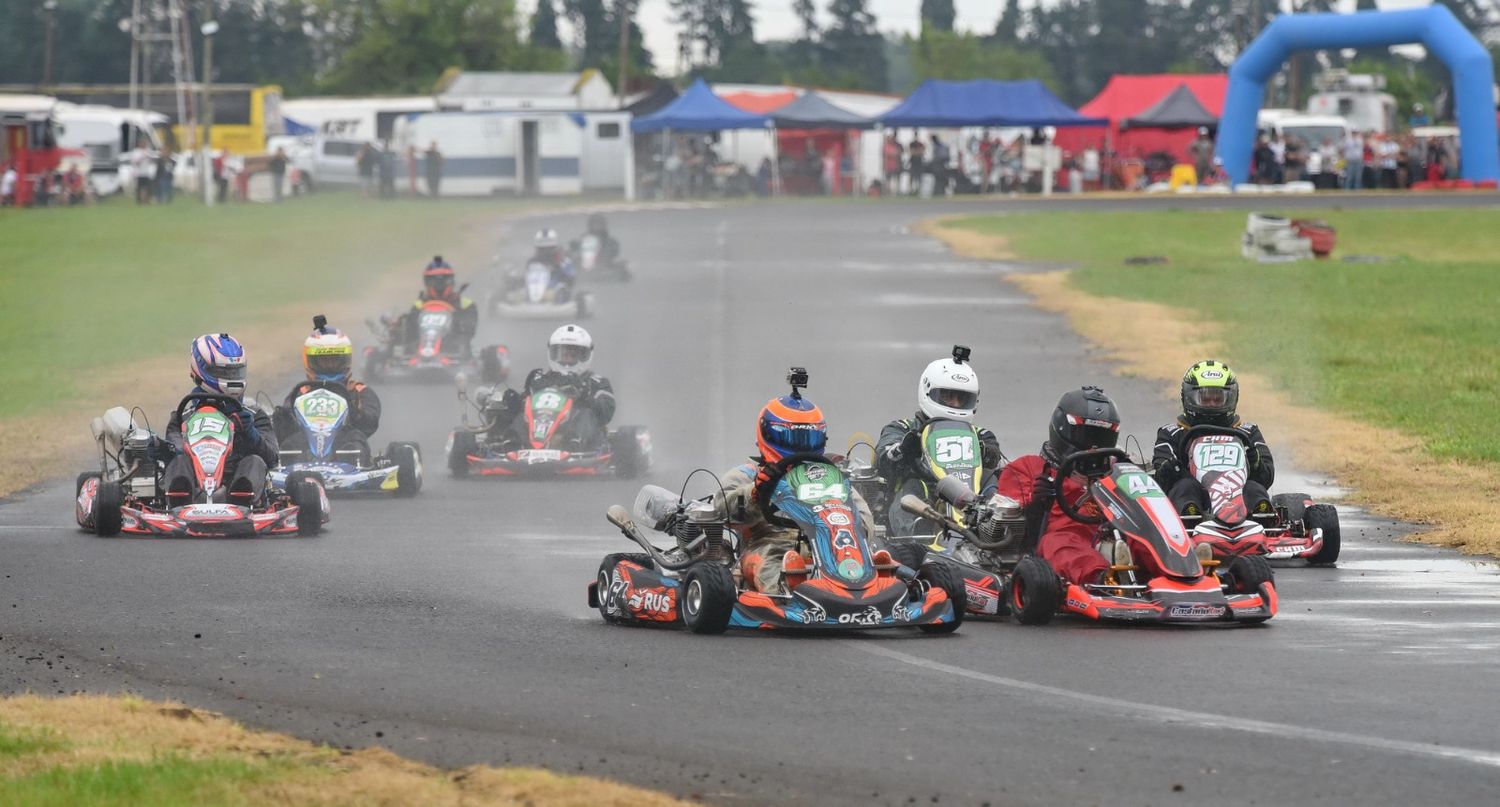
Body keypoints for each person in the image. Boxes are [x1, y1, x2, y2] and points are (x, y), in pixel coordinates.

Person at [709, 378, 877, 594]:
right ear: (768, 434)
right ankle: (788, 592)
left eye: (808, 436)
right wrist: (755, 493)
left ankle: (879, 586)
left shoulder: (830, 476)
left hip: (836, 543)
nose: (800, 445)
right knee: (769, 564)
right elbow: (722, 510)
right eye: (792, 436)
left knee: (880, 557)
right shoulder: (749, 474)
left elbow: (865, 523)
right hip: (772, 544)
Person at [994, 386, 1124, 588]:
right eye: (1088, 437)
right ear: (1063, 431)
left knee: (1144, 538)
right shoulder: (1027, 468)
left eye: (1101, 438)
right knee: (1058, 543)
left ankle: (1181, 570)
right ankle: (1103, 579)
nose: (1094, 447)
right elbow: (1013, 532)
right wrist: (1037, 505)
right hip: (1059, 544)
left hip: (1112, 536)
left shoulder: (1115, 472)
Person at [875, 348, 1002, 536]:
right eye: (947, 396)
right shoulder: (902, 428)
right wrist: (905, 449)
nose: (955, 404)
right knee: (914, 488)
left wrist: (988, 454)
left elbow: (999, 463)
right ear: (927, 391)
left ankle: (997, 532)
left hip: (972, 498)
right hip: (925, 496)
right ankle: (916, 537)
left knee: (992, 484)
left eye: (962, 398)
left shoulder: (981, 435)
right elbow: (883, 461)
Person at [163, 334, 278, 506]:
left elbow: (272, 459)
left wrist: (250, 434)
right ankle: (180, 498)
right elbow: (174, 443)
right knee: (178, 461)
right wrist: (168, 449)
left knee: (255, 461)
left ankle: (242, 498)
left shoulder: (253, 416)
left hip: (234, 482)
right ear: (200, 370)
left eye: (235, 372)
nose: (232, 378)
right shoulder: (183, 416)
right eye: (224, 372)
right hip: (194, 485)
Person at [1151, 360, 1275, 519]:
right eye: (1205, 399)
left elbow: (1267, 478)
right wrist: (1172, 468)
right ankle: (1190, 520)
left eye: (1217, 399)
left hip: (1237, 495)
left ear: (1231, 398)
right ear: (1188, 398)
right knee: (1185, 488)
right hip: (1198, 498)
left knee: (1253, 488)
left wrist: (1255, 463)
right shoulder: (1172, 433)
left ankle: (1264, 519)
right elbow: (1161, 481)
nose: (1211, 405)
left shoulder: (1248, 432)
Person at [481, 324, 615, 451]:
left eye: (573, 356)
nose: (567, 360)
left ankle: (574, 442)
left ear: (585, 356)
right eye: (564, 355)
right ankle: (512, 441)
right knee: (522, 413)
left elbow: (605, 413)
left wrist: (584, 397)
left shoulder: (596, 383)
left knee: (587, 414)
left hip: (577, 435)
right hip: (539, 427)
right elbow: (523, 405)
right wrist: (512, 402)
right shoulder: (539, 379)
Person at [275, 318, 382, 448]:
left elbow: (370, 423)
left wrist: (355, 413)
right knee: (290, 444)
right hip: (307, 447)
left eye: (335, 360)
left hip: (346, 445)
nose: (330, 366)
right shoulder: (302, 392)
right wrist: (283, 417)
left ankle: (352, 463)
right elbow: (286, 429)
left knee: (356, 439)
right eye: (324, 361)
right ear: (310, 361)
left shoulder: (359, 390)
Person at [400, 256, 478, 350]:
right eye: (434, 282)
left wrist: (456, 317)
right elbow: (410, 330)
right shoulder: (419, 305)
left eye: (443, 281)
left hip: (455, 349)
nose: (439, 286)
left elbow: (470, 329)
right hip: (420, 349)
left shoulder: (464, 305)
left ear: (451, 281)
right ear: (427, 283)